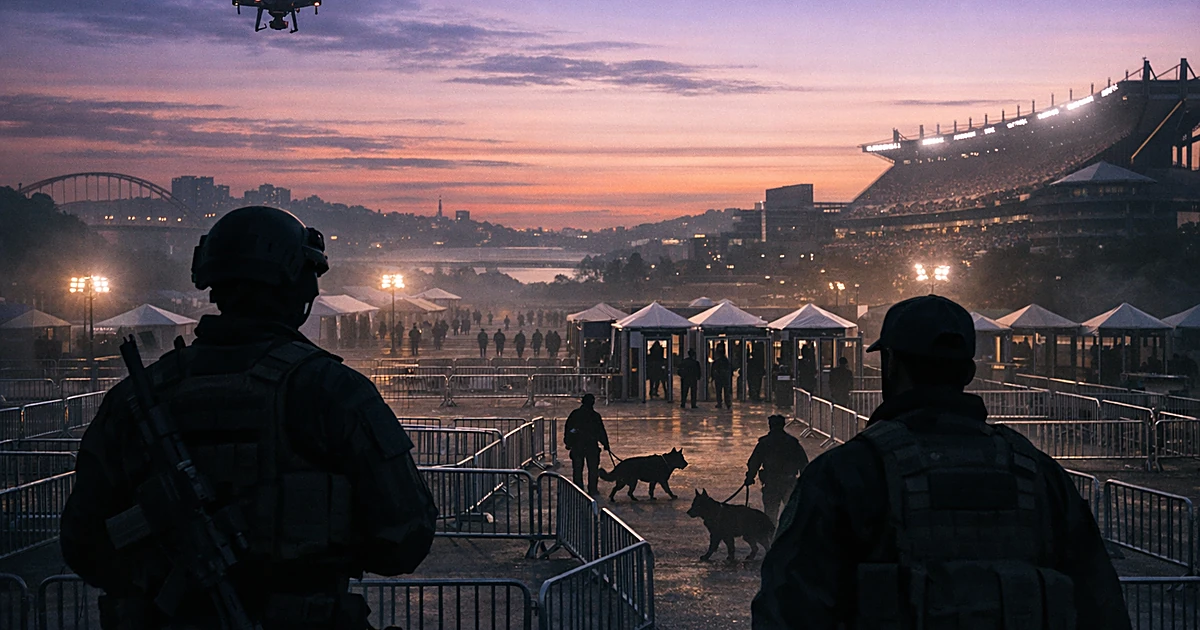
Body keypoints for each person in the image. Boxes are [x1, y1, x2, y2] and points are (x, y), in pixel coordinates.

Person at [60, 206, 437, 630]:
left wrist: (162, 570)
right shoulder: (332, 390)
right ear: (296, 283)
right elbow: (407, 536)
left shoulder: (138, 397)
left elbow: (82, 543)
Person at [753, 295, 1129, 630]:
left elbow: (786, 606)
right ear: (968, 373)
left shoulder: (845, 474)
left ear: (891, 365)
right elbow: (1102, 604)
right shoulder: (1039, 475)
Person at [745, 414, 808, 525]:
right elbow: (803, 463)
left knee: (770, 513)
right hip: (789, 482)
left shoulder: (764, 443)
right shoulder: (792, 443)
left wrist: (750, 477)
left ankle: (771, 533)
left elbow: (754, 462)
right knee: (792, 513)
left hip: (771, 482)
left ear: (770, 425)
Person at [564, 393, 610, 495]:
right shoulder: (595, 416)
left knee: (577, 469)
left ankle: (578, 489)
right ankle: (592, 489)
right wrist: (606, 444)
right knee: (593, 469)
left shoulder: (575, 414)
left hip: (578, 446)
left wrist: (568, 442)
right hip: (591, 446)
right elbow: (601, 432)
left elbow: (568, 429)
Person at [711, 345, 733, 410]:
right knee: (726, 391)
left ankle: (720, 403)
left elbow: (713, 370)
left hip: (719, 378)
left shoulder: (717, 362)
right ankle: (727, 403)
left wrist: (713, 377)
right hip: (725, 378)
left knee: (719, 391)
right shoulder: (727, 361)